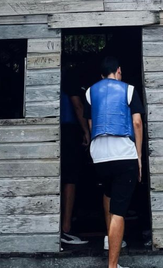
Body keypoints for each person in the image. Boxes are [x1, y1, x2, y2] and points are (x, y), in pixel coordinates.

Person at [83, 56, 144, 268]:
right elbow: (136, 122)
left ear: (101, 75)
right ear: (118, 71)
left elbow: (91, 124)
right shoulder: (128, 90)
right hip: (123, 154)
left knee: (108, 195)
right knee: (119, 211)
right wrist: (139, 158)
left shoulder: (90, 92)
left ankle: (110, 241)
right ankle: (112, 266)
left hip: (99, 156)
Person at [60, 71, 91, 246]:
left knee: (67, 177)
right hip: (69, 130)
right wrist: (87, 131)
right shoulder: (71, 78)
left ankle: (65, 226)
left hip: (65, 130)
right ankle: (66, 229)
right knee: (70, 179)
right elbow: (77, 105)